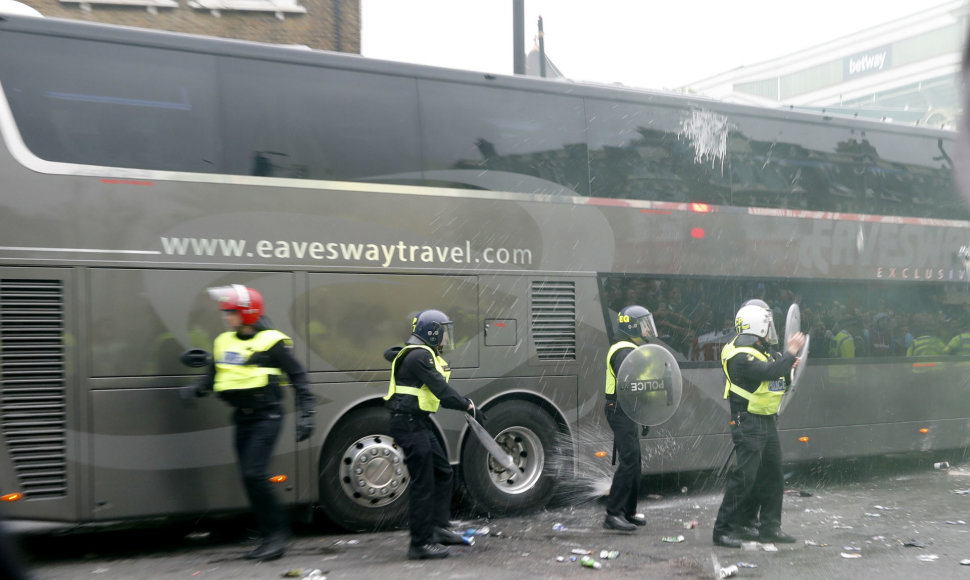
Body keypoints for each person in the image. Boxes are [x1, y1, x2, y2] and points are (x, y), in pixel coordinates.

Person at [186, 284, 316, 561]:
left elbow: (298, 376)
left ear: (247, 313)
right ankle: (269, 536)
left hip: (266, 417)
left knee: (254, 474)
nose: (225, 317)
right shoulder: (223, 341)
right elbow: (214, 375)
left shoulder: (272, 343)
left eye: (231, 312)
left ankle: (277, 536)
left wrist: (307, 413)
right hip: (242, 418)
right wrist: (196, 389)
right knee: (249, 478)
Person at [384, 309, 477, 560]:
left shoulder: (422, 354)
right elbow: (442, 390)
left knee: (442, 471)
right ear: (432, 332)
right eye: (444, 332)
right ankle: (420, 543)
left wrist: (463, 403)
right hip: (409, 424)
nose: (447, 338)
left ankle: (438, 528)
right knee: (423, 483)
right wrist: (467, 405)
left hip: (419, 422)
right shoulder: (419, 357)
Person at [712, 303, 805, 548]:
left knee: (773, 476)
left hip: (766, 421)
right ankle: (722, 530)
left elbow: (779, 373)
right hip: (748, 421)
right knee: (744, 478)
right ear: (756, 328)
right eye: (767, 328)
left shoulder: (759, 350)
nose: (770, 333)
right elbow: (771, 371)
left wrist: (786, 363)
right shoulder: (739, 356)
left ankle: (769, 527)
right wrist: (790, 353)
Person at [602, 305, 657, 532]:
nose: (647, 328)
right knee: (629, 462)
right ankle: (613, 514)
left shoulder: (630, 348)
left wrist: (642, 415)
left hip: (627, 409)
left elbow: (637, 386)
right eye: (644, 323)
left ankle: (628, 511)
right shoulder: (624, 351)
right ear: (633, 326)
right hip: (620, 410)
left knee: (635, 462)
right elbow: (629, 385)